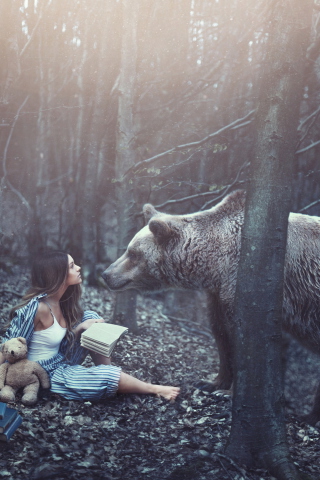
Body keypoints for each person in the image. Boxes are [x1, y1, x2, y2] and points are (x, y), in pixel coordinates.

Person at [0, 251, 180, 402]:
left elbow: (54, 339)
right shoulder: (37, 308)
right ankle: (152, 388)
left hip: (61, 359)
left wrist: (78, 329)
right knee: (108, 378)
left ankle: (106, 371)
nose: (78, 268)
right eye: (71, 266)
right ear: (57, 274)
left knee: (90, 318)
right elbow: (8, 346)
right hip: (42, 375)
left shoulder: (62, 302)